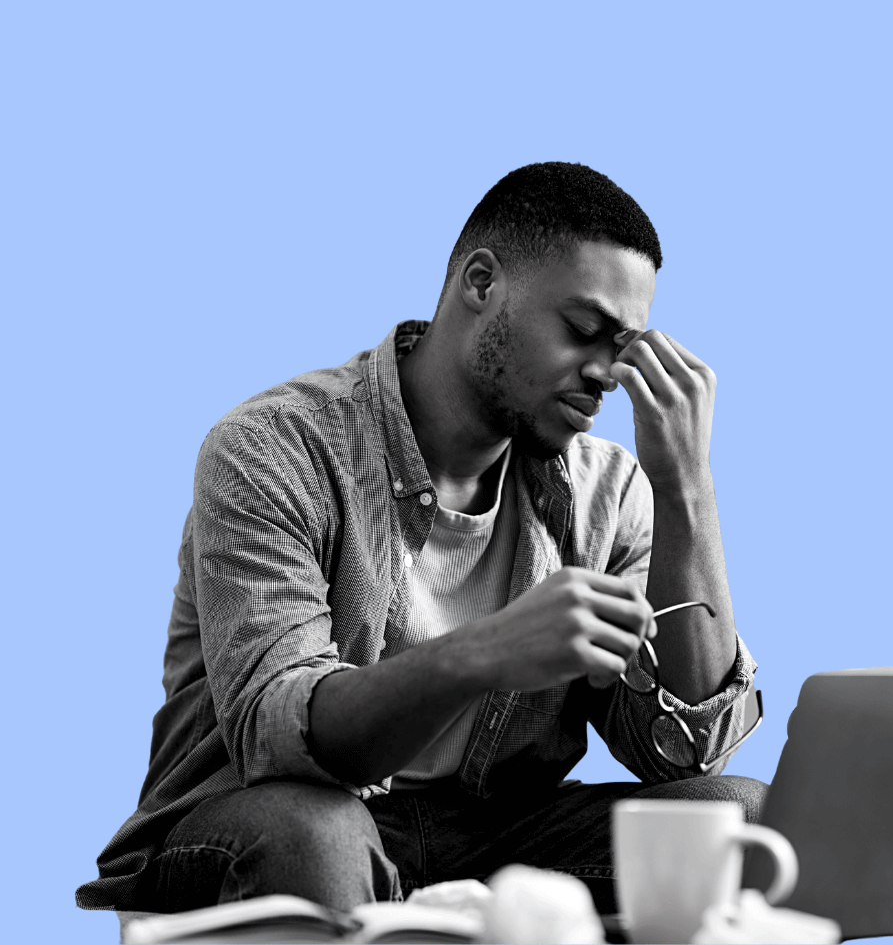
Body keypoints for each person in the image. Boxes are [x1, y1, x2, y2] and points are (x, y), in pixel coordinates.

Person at [76, 162, 764, 917]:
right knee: (319, 833)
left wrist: (686, 484)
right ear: (480, 283)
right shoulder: (274, 448)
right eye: (581, 331)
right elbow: (280, 738)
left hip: (488, 830)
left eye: (623, 346)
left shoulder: (609, 491)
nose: (605, 373)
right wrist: (487, 652)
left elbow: (684, 751)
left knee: (740, 819)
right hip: (267, 821)